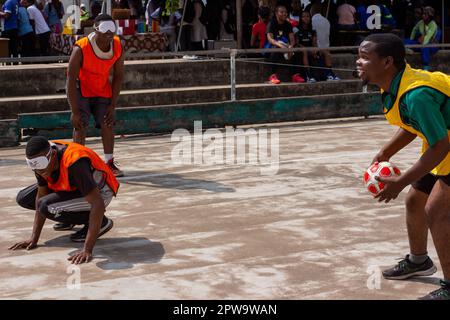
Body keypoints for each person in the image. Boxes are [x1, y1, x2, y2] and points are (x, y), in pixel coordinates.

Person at [356, 33, 450, 300]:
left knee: (437, 210)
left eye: (365, 57)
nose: (358, 62)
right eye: (358, 56)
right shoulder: (396, 87)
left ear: (387, 62)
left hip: (445, 144)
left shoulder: (416, 94)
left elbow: (440, 145)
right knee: (415, 202)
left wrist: (400, 182)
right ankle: (419, 261)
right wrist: (386, 151)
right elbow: (412, 124)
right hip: (445, 140)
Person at [10, 136, 118, 264]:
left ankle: (101, 223)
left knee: (47, 207)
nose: (39, 171)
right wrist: (33, 238)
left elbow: (97, 203)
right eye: (33, 166)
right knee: (24, 198)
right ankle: (69, 215)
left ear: (53, 155)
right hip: (75, 187)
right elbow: (41, 195)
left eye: (41, 165)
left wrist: (87, 250)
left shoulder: (75, 163)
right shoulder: (41, 162)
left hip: (101, 192)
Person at [66, 14, 125, 182]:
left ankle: (109, 163)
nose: (109, 33)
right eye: (105, 29)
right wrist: (74, 110)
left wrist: (112, 106)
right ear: (96, 30)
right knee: (80, 125)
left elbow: (119, 76)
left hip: (102, 90)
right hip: (81, 89)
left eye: (112, 30)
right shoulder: (81, 48)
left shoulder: (118, 46)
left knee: (107, 122)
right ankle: (78, 165)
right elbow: (70, 79)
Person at [266, 5, 304, 84]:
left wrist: (291, 46)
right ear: (276, 13)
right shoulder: (271, 23)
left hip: (286, 47)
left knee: (297, 49)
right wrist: (280, 45)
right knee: (275, 49)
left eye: (286, 12)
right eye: (282, 12)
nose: (284, 14)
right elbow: (270, 39)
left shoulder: (288, 24)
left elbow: (292, 38)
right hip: (276, 46)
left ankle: (295, 75)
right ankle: (272, 76)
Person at [405, 6, 441, 71]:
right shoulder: (421, 22)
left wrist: (422, 44)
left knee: (425, 48)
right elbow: (414, 29)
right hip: (421, 43)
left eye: (425, 14)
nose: (423, 15)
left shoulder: (433, 25)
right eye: (423, 14)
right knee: (406, 41)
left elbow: (428, 36)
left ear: (430, 16)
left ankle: (426, 66)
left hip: (431, 45)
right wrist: (412, 39)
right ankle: (409, 48)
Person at [311, 3, 340, 81]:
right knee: (327, 57)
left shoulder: (312, 21)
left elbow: (314, 36)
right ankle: (330, 74)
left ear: (312, 11)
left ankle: (328, 75)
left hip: (318, 47)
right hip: (326, 46)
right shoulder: (326, 21)